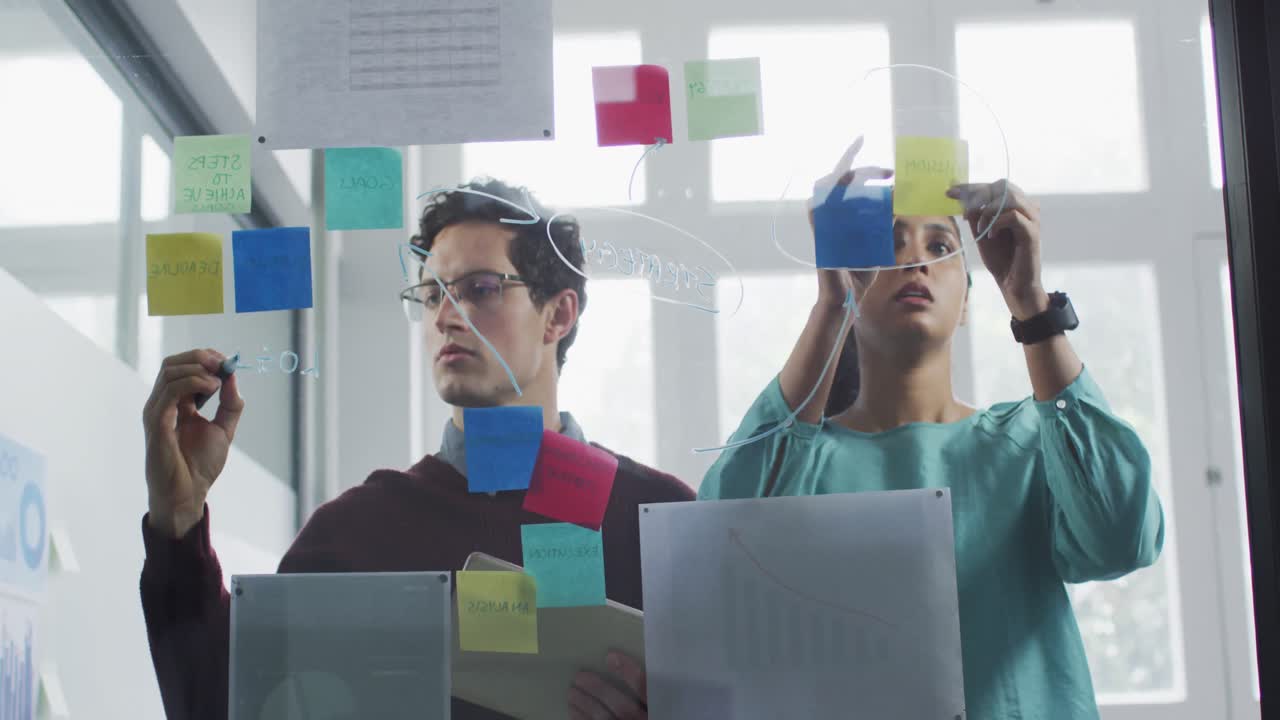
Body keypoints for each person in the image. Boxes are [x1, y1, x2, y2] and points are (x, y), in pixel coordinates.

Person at [139, 178, 691, 720]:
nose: (445, 317)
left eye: (480, 288)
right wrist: (179, 523)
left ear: (559, 315)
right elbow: (221, 704)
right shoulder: (355, 535)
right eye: (431, 295)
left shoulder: (659, 524)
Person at [699, 148, 1165, 720]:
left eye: (940, 246)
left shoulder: (1028, 444)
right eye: (888, 242)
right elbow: (716, 548)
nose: (914, 261)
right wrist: (832, 303)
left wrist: (1030, 302)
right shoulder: (804, 464)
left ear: (968, 301)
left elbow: (1122, 538)